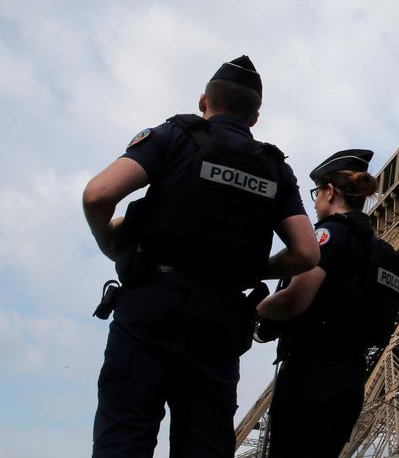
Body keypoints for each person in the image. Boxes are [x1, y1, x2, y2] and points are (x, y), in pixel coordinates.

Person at [83, 55, 320, 458]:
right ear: (255, 116)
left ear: (203, 102)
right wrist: (249, 267)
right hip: (221, 314)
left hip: (152, 302)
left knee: (125, 436)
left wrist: (110, 242)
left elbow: (98, 193)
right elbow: (306, 253)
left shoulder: (175, 136)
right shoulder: (274, 167)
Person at [256, 149, 380, 458]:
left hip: (312, 370)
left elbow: (296, 299)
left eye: (317, 193)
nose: (314, 202)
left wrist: (254, 310)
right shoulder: (378, 249)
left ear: (331, 192)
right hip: (351, 376)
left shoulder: (329, 234)